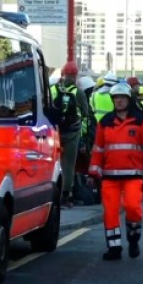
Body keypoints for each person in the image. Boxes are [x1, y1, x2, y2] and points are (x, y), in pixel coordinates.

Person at [87, 82, 143, 261]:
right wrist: (93, 173)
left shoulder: (141, 121)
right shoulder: (105, 122)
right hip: (109, 177)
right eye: (116, 97)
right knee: (110, 212)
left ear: (128, 99)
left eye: (122, 97)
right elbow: (98, 150)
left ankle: (133, 239)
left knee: (133, 207)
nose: (119, 101)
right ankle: (114, 247)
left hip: (133, 175)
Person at [50, 61, 89, 208]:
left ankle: (53, 193)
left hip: (54, 132)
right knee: (68, 165)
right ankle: (66, 195)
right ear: (75, 76)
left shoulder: (52, 89)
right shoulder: (78, 92)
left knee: (53, 163)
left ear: (62, 74)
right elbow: (85, 114)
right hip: (72, 132)